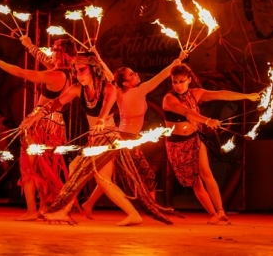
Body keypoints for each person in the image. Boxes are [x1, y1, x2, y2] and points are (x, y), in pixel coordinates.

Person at [20, 52, 175, 226]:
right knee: (103, 179)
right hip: (95, 139)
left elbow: (108, 103)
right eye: (76, 71)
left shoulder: (108, 88)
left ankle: (63, 210)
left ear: (93, 70)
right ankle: (132, 214)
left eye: (82, 70)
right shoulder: (77, 89)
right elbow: (55, 104)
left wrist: (101, 119)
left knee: (78, 168)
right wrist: (32, 119)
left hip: (108, 138)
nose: (79, 75)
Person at [81, 49, 189, 219]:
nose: (135, 75)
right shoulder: (139, 91)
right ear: (125, 83)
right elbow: (161, 76)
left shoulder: (117, 90)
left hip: (122, 137)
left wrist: (99, 57)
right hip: (127, 140)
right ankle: (153, 210)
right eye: (131, 75)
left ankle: (88, 204)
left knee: (108, 177)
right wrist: (179, 60)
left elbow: (110, 76)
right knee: (147, 175)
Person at [0, 38, 77, 220]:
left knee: (29, 166)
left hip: (41, 123)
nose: (50, 52)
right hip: (57, 125)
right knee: (46, 168)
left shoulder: (54, 75)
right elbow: (43, 57)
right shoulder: (68, 74)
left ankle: (31, 210)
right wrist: (28, 45)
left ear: (60, 54)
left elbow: (21, 73)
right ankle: (44, 207)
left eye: (54, 50)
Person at [162, 63, 260, 224]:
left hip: (195, 138)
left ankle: (220, 212)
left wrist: (247, 96)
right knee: (195, 182)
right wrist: (207, 120)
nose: (178, 85)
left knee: (206, 173)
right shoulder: (169, 98)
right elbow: (186, 112)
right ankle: (213, 213)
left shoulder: (196, 94)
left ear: (189, 80)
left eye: (181, 81)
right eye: (175, 82)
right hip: (177, 144)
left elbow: (221, 94)